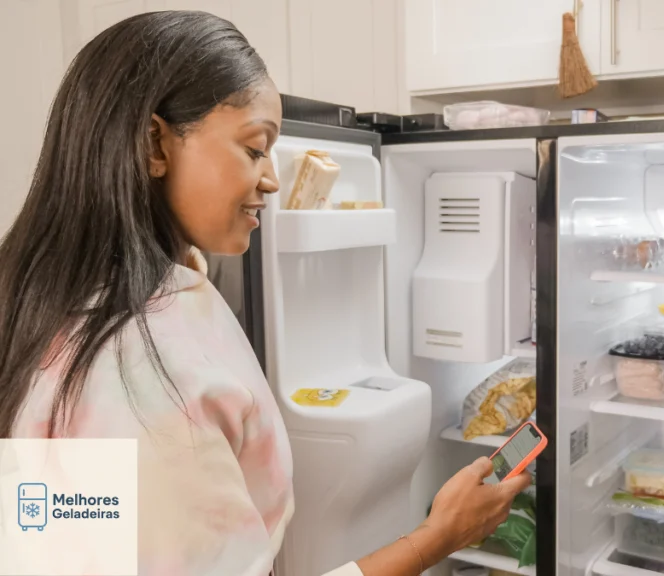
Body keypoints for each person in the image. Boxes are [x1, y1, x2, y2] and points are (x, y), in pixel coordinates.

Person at [0, 10, 531, 576]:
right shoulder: (142, 384)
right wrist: (439, 536)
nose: (273, 179)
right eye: (255, 149)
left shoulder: (86, 296)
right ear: (154, 144)